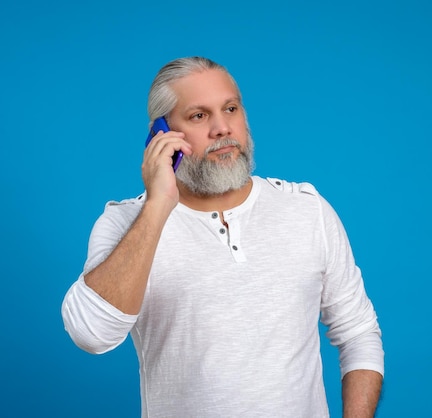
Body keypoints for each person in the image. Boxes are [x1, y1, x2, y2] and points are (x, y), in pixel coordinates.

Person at [61, 56, 384, 417]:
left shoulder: (307, 210)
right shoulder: (126, 223)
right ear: (161, 134)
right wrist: (157, 206)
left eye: (230, 109)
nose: (222, 128)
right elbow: (91, 334)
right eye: (199, 116)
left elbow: (358, 333)